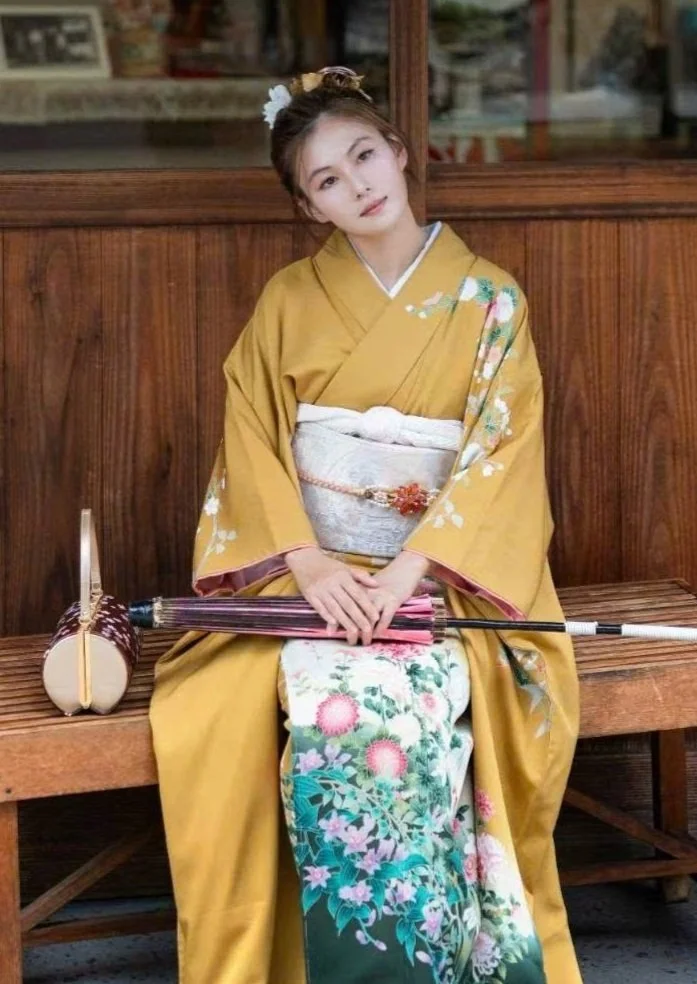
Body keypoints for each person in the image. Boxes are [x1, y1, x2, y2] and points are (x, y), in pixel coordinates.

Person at [150, 66, 581, 984]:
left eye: (362, 155)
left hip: (444, 578)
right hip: (309, 578)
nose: (358, 185)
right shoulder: (286, 303)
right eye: (327, 181)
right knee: (332, 713)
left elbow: (501, 457)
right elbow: (252, 442)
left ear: (398, 148)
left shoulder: (491, 302)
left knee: (411, 716)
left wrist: (408, 574)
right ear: (310, 208)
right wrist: (308, 564)